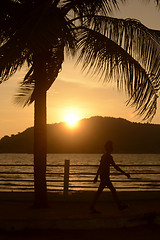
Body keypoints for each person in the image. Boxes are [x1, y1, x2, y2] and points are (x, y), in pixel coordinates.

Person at [90, 140, 130, 213]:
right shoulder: (108, 156)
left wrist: (96, 176)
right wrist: (125, 173)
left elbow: (100, 166)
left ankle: (92, 207)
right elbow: (115, 167)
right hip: (105, 177)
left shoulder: (104, 156)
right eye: (111, 146)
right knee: (108, 191)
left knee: (104, 191)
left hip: (104, 177)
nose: (112, 147)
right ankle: (119, 206)